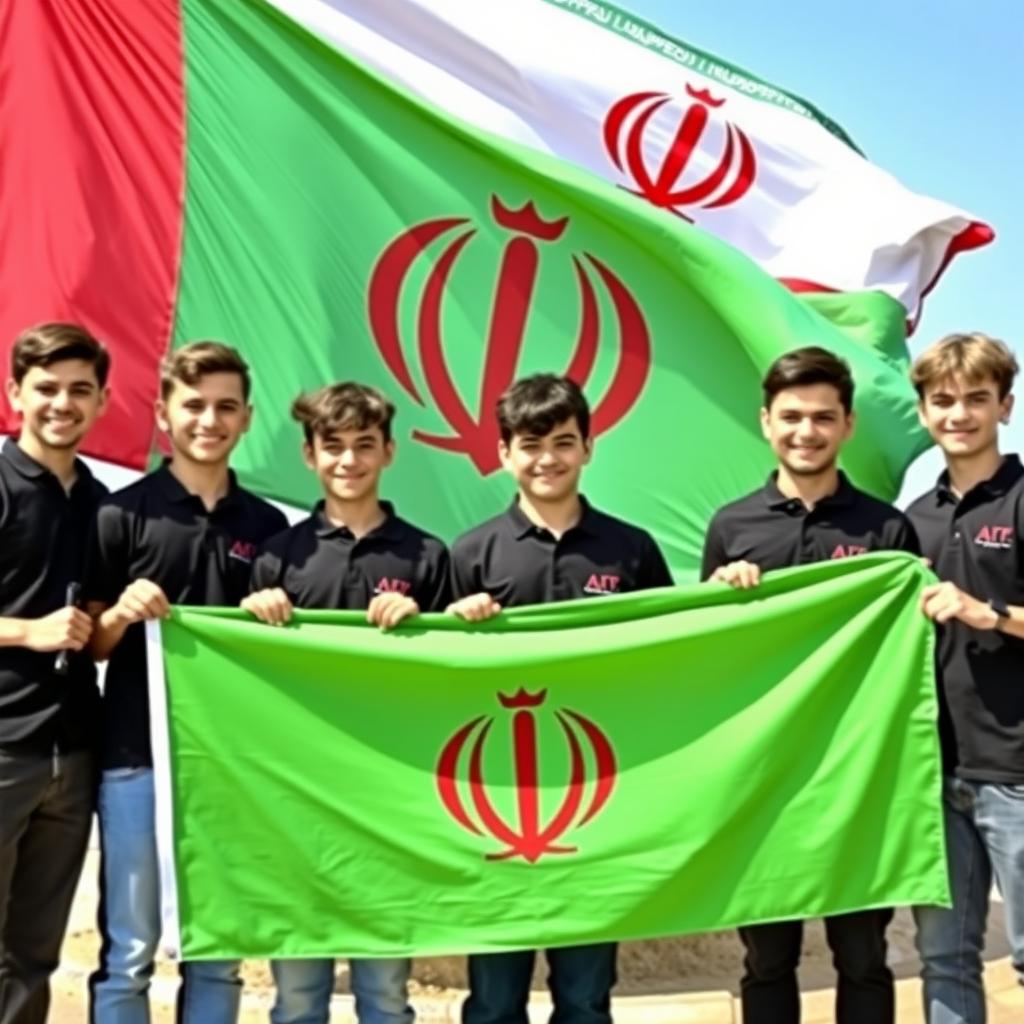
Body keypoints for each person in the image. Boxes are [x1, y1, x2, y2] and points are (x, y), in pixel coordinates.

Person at [700, 346, 919, 1024]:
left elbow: (908, 653)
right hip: (766, 782)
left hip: (859, 777)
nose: (807, 431)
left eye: (823, 417)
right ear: (766, 422)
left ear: (848, 425)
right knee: (767, 959)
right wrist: (712, 600)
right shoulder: (732, 528)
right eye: (791, 416)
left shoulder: (887, 529)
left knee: (863, 956)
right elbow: (707, 658)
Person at [448, 373, 672, 1024]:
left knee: (584, 997)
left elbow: (670, 657)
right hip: (493, 804)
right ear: (503, 453)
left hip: (598, 799)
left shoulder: (632, 550)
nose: (547, 458)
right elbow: (430, 679)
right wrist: (456, 625)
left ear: (588, 448)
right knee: (492, 1002)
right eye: (530, 443)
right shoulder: (469, 552)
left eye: (563, 442)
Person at [84, 342, 288, 1024]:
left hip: (231, 764)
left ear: (247, 417)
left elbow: (281, 658)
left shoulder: (269, 529)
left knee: (217, 950)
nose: (210, 419)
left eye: (226, 406)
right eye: (194, 405)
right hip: (136, 758)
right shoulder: (121, 514)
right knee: (130, 952)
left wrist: (271, 618)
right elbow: (92, 644)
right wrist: (119, 612)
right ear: (164, 413)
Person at [243, 381, 450, 1024]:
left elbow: (455, 677)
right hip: (297, 795)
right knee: (300, 995)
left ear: (388, 452)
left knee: (385, 993)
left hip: (387, 794)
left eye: (364, 446)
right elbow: (247, 679)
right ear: (309, 455)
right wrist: (252, 616)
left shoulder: (428, 554)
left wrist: (426, 623)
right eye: (332, 447)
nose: (348, 461)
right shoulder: (278, 555)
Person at [908, 332, 1024, 1024]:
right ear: (924, 413)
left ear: (1004, 406)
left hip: (1016, 771)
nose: (959, 414)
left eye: (976, 399)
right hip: (933, 774)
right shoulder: (911, 520)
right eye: (943, 401)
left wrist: (993, 613)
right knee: (945, 961)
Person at [0, 323, 110, 1024]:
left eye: (79, 390)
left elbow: (96, 637)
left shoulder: (104, 503)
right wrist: (27, 632)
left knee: (35, 955)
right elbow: (43, 628)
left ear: (102, 402)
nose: (61, 403)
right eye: (45, 388)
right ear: (15, 394)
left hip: (74, 755)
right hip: (3, 746)